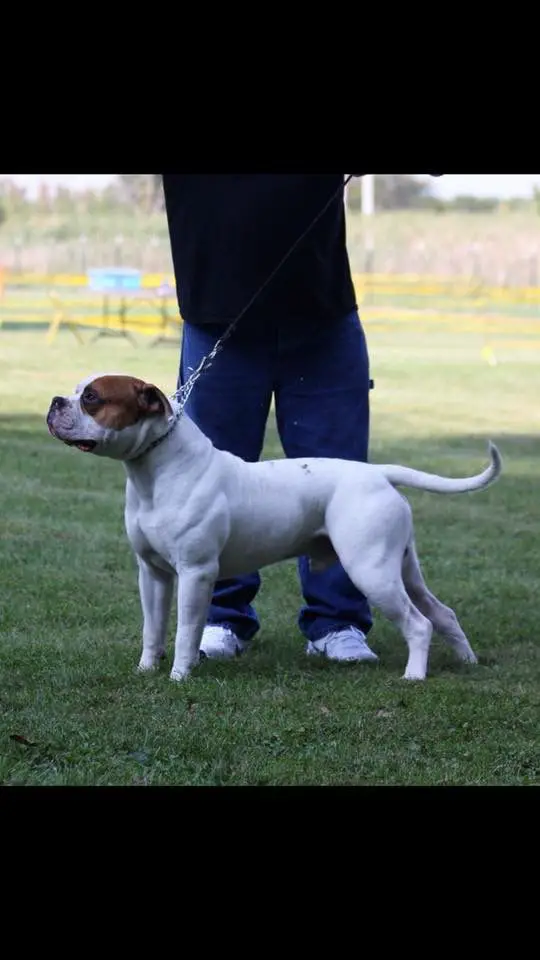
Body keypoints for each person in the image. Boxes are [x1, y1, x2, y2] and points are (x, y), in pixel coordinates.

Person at [161, 174, 442, 664]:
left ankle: (337, 623)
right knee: (206, 486)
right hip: (217, 317)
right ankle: (221, 618)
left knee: (341, 477)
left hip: (321, 318)